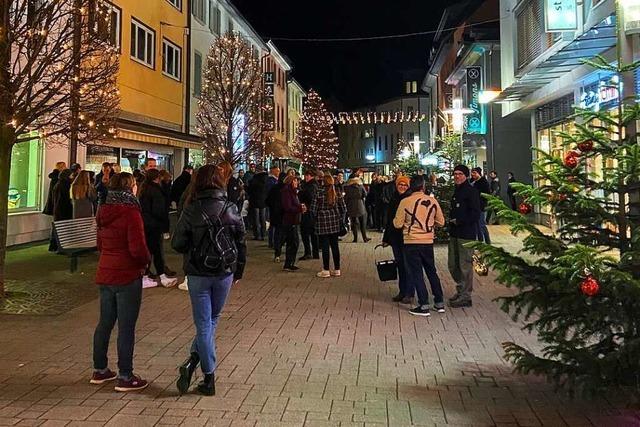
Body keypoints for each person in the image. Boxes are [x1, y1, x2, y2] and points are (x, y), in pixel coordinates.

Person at [172, 162, 246, 396]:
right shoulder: (230, 207)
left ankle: (201, 370)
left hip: (197, 272)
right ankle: (205, 373)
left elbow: (177, 243)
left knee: (205, 324)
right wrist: (239, 270)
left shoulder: (191, 208)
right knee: (212, 320)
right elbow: (240, 241)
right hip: (224, 271)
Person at [91, 172, 150, 392]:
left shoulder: (103, 210)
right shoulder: (131, 213)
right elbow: (137, 248)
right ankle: (125, 375)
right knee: (126, 326)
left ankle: (100, 369)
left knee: (105, 322)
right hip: (126, 274)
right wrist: (146, 261)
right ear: (130, 188)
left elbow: (100, 244)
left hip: (105, 272)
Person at [393, 175, 445, 316]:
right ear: (423, 187)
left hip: (411, 242)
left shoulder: (405, 201)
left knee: (417, 273)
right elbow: (441, 222)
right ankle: (439, 302)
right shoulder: (432, 201)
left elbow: (397, 224)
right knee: (431, 271)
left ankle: (423, 305)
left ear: (411, 187)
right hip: (427, 241)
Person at [448, 165, 482, 308]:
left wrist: (460, 221)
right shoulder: (457, 191)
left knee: (465, 265)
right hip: (455, 233)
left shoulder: (471, 191)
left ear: (466, 175)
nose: (457, 176)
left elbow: (476, 213)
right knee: (453, 264)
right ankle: (461, 289)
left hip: (466, 234)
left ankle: (465, 296)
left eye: (460, 174)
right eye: (455, 174)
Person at [138, 169, 177, 288]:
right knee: (156, 251)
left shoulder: (144, 189)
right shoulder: (155, 191)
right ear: (157, 178)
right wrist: (165, 225)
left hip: (146, 224)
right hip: (154, 224)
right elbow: (159, 210)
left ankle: (152, 275)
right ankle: (159, 276)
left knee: (151, 250)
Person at [382, 176, 412, 304]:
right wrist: (386, 238)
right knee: (400, 264)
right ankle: (402, 291)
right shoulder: (394, 198)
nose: (402, 187)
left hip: (407, 237)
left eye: (405, 185)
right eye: (400, 184)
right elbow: (389, 220)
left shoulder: (410, 199)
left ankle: (409, 293)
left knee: (408, 265)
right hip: (395, 237)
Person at [311, 174, 346, 278]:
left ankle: (326, 269)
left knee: (325, 246)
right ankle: (337, 269)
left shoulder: (318, 193)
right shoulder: (337, 192)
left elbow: (313, 209)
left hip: (322, 222)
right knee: (335, 245)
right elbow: (343, 208)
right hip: (335, 222)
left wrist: (316, 217)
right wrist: (340, 218)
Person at [280, 175, 305, 271]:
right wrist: (299, 208)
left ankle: (290, 263)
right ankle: (288, 263)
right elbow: (287, 207)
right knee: (293, 242)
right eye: (295, 181)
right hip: (290, 220)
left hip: (294, 219)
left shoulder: (293, 192)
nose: (297, 183)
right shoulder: (287, 192)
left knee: (293, 242)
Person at [298, 170, 319, 261]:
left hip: (308, 211)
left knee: (305, 232)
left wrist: (300, 193)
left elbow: (310, 197)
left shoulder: (311, 186)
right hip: (311, 211)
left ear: (312, 176)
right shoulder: (312, 185)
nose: (306, 177)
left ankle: (308, 252)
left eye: (308, 175)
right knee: (312, 233)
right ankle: (315, 253)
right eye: (306, 175)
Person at [266, 173, 286, 263]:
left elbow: (268, 201)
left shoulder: (274, 188)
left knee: (277, 233)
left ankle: (277, 253)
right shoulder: (287, 189)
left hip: (275, 215)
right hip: (284, 215)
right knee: (285, 234)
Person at [344, 177, 370, 243]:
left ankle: (355, 239)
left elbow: (346, 197)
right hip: (360, 205)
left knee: (354, 223)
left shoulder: (347, 188)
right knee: (362, 223)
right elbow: (365, 194)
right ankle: (365, 238)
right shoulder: (361, 187)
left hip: (351, 206)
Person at [470, 167, 491, 244]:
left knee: (481, 224)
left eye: (475, 173)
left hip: (480, 206)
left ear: (479, 173)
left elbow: (487, 194)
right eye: (472, 173)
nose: (473, 174)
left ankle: (487, 241)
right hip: (474, 206)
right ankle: (480, 241)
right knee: (476, 225)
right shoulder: (473, 182)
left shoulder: (484, 182)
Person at [266, 166, 281, 248]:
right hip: (273, 205)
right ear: (273, 171)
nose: (278, 172)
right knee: (272, 224)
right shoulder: (271, 181)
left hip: (274, 205)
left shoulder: (275, 181)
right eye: (277, 171)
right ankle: (271, 241)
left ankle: (273, 241)